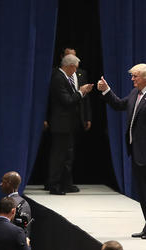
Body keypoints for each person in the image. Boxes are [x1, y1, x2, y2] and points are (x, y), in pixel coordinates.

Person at [98, 63, 146, 239]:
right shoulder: (135, 94)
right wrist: (107, 91)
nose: (132, 79)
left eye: (135, 76)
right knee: (144, 194)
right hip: (138, 152)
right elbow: (119, 105)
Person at [46, 54, 94, 195]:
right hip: (60, 125)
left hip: (68, 125)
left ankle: (65, 184)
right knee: (58, 156)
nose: (75, 72)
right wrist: (81, 91)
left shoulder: (64, 77)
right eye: (75, 69)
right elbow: (67, 100)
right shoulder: (58, 78)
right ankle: (54, 185)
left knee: (67, 156)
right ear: (69, 66)